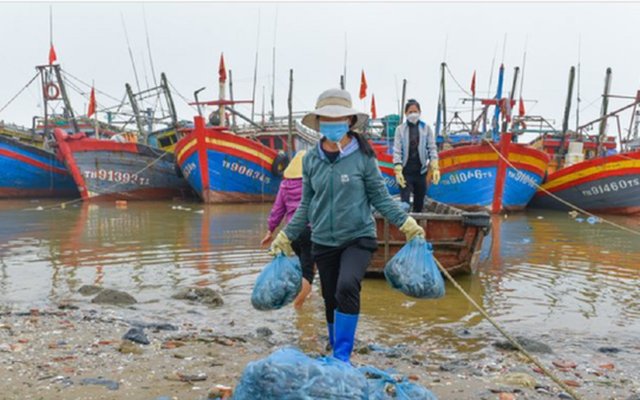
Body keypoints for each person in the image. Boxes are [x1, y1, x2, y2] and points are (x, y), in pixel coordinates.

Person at [268, 88, 425, 364]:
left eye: (338, 118)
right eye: (326, 119)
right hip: (323, 240)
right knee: (330, 296)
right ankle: (334, 345)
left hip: (357, 237)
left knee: (346, 286)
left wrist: (407, 224)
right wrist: (284, 235)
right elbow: (306, 205)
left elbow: (380, 197)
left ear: (350, 121)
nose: (332, 124)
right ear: (318, 123)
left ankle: (342, 357)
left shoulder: (364, 157)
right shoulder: (311, 160)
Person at [261, 151, 314, 310]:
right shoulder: (313, 183)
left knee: (306, 264)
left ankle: (308, 294)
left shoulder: (285, 185)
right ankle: (298, 306)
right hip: (311, 231)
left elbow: (277, 210)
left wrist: (270, 231)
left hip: (292, 233)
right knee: (308, 272)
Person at [393, 99, 440, 212]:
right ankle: (403, 227)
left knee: (419, 205)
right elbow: (397, 150)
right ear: (406, 114)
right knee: (404, 205)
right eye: (410, 111)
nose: (413, 114)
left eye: (415, 111)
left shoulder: (426, 128)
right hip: (405, 173)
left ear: (420, 112)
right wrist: (398, 168)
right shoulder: (400, 129)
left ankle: (417, 227)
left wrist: (435, 166)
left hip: (421, 173)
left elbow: (432, 148)